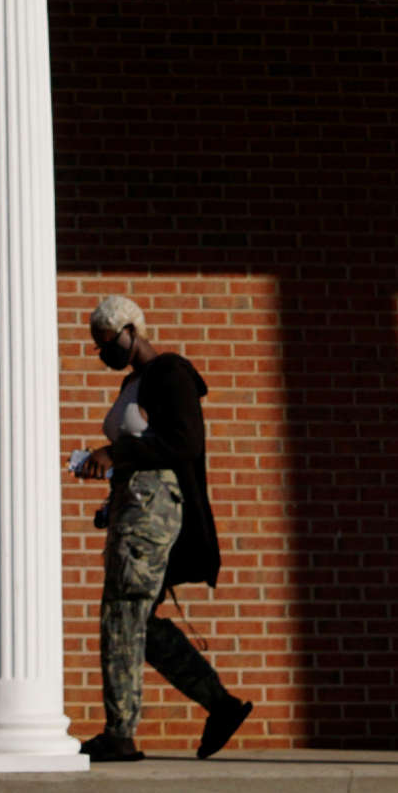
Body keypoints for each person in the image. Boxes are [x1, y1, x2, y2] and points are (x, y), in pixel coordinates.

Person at [74, 295, 253, 763]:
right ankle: (222, 705)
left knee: (122, 615)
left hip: (152, 512)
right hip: (134, 507)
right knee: (141, 626)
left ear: (131, 330)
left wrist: (116, 454)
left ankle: (120, 734)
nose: (104, 352)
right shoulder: (136, 382)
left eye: (107, 341)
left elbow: (184, 441)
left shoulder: (170, 373)